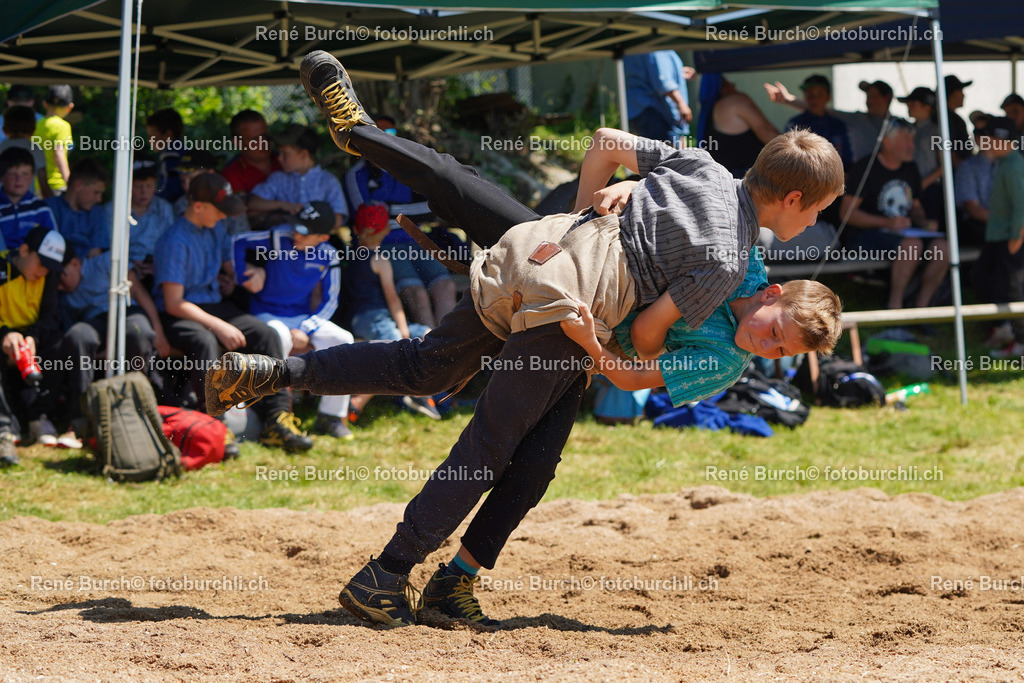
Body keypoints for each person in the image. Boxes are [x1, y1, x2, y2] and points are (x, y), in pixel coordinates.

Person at [205, 51, 845, 627]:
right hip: (579, 309)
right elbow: (646, 337)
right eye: (816, 210)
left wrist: (596, 207)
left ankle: (280, 368)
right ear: (791, 199)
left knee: (429, 365)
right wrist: (612, 335)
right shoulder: (735, 263)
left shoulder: (705, 166)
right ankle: (388, 573)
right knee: (491, 445)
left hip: (546, 252)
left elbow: (606, 140)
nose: (817, 222)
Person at [154, 172, 312, 452]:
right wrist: (219, 326)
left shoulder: (215, 229)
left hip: (213, 306)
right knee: (204, 341)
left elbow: (231, 270)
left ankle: (276, 419)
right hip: (180, 314)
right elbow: (173, 303)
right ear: (198, 206)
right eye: (220, 210)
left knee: (265, 334)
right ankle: (215, 424)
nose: (225, 217)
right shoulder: (174, 239)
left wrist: (251, 274)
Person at [231, 202, 355, 439]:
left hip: (301, 318)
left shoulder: (329, 254)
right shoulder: (279, 237)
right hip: (266, 314)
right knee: (277, 338)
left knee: (343, 339)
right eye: (296, 228)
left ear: (323, 237)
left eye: (305, 232)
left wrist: (305, 329)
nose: (296, 234)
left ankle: (330, 417)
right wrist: (242, 276)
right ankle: (278, 416)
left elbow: (330, 301)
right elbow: (238, 240)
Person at [344, 115, 455, 328]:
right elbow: (367, 217)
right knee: (417, 293)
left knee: (445, 285)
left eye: (391, 133)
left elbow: (432, 210)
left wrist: (390, 209)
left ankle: (450, 343)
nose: (385, 137)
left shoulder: (408, 169)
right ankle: (431, 348)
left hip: (416, 241)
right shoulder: (356, 174)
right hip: (383, 244)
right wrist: (407, 213)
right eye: (377, 132)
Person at [342, 202, 440, 421]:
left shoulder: (351, 255)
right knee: (398, 346)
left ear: (357, 229)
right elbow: (393, 300)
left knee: (424, 333)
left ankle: (419, 393)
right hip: (375, 319)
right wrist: (403, 329)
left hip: (361, 320)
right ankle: (357, 402)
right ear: (386, 231)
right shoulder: (380, 260)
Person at [839, 118, 950, 310]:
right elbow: (847, 214)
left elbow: (914, 205)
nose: (911, 146)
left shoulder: (911, 168)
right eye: (906, 141)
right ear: (887, 143)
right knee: (912, 245)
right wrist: (887, 223)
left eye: (912, 141)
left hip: (904, 233)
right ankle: (895, 308)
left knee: (943, 247)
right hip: (865, 236)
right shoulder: (866, 168)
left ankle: (921, 308)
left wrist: (923, 221)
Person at [0, 227, 68, 466]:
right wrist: (5, 335)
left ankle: (40, 418)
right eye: (41, 263)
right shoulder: (2, 267)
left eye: (50, 266)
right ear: (24, 250)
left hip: (30, 336)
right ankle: (3, 432)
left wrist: (32, 338)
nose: (43, 271)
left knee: (58, 343)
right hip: (3, 336)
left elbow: (50, 317)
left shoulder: (48, 275)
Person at [971, 117, 1024, 355]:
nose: (986, 143)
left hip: (1010, 240)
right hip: (999, 238)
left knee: (1014, 292)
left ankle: (1020, 342)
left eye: (990, 139)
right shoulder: (1006, 163)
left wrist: (1016, 239)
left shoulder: (1013, 166)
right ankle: (1003, 328)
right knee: (984, 278)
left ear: (1002, 140)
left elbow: (1022, 206)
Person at [766, 79, 893, 165]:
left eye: (873, 96)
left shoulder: (900, 125)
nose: (868, 101)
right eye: (867, 96)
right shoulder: (857, 118)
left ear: (886, 98)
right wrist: (787, 99)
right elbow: (819, 108)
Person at [248, 124, 346, 231]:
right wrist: (284, 205)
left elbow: (337, 220)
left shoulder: (328, 181)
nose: (279, 158)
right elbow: (253, 203)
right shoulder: (278, 179)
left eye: (285, 154)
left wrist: (310, 219)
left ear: (304, 154)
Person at [700, 75, 779, 179]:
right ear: (724, 86)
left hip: (723, 177)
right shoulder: (735, 101)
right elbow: (767, 132)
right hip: (747, 176)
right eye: (731, 83)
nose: (734, 87)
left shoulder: (707, 110)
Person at [623, 50, 694, 145]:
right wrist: (681, 104)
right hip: (655, 113)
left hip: (638, 110)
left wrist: (677, 71)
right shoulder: (658, 46)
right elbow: (664, 83)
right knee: (665, 156)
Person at [782, 75, 852, 167]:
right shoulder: (795, 124)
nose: (814, 99)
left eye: (819, 94)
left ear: (828, 97)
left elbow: (847, 159)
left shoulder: (838, 125)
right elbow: (787, 156)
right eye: (810, 94)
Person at [899, 87, 945, 227]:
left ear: (927, 107)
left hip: (930, 189)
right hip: (906, 187)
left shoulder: (939, 131)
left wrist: (922, 185)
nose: (909, 107)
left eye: (913, 104)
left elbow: (944, 166)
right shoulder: (906, 129)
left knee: (930, 226)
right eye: (908, 104)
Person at [46, 158, 110, 258]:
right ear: (78, 185)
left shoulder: (97, 213)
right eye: (96, 193)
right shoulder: (49, 208)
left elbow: (95, 256)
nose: (99, 199)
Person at [0, 147, 57, 250]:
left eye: (25, 174)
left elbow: (53, 243)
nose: (19, 179)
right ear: (1, 177)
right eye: (13, 174)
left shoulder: (41, 209)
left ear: (32, 177)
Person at [955, 119, 999, 247]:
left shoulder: (1008, 165)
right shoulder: (967, 167)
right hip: (978, 226)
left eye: (985, 132)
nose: (980, 137)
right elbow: (973, 209)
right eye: (976, 132)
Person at [221, 110, 281, 195]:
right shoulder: (231, 175)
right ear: (238, 143)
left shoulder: (286, 160)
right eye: (254, 139)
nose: (263, 142)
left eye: (264, 135)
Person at [0, 105, 50, 198]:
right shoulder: (35, 149)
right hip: (26, 202)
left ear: (4, 130)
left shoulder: (1, 147)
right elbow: (43, 184)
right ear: (33, 130)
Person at [33, 85, 74, 195]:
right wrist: (69, 183)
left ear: (45, 104)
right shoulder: (62, 126)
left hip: (36, 185)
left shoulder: (36, 125)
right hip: (56, 186)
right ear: (70, 107)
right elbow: (59, 155)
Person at [145, 108, 185, 202]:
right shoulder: (181, 150)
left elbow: (168, 189)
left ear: (168, 135)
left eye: (152, 135)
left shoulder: (171, 156)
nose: (148, 140)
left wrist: (150, 201)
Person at [944, 75, 974, 170]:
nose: (963, 95)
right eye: (960, 91)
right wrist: (966, 170)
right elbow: (949, 151)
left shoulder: (952, 118)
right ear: (951, 94)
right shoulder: (949, 119)